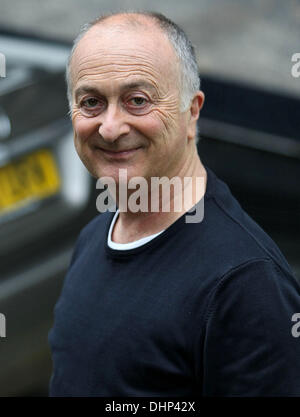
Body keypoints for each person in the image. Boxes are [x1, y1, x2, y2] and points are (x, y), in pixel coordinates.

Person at [48, 11, 300, 397]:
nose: (110, 127)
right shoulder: (96, 235)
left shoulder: (245, 284)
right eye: (92, 102)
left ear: (192, 112)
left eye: (137, 100)